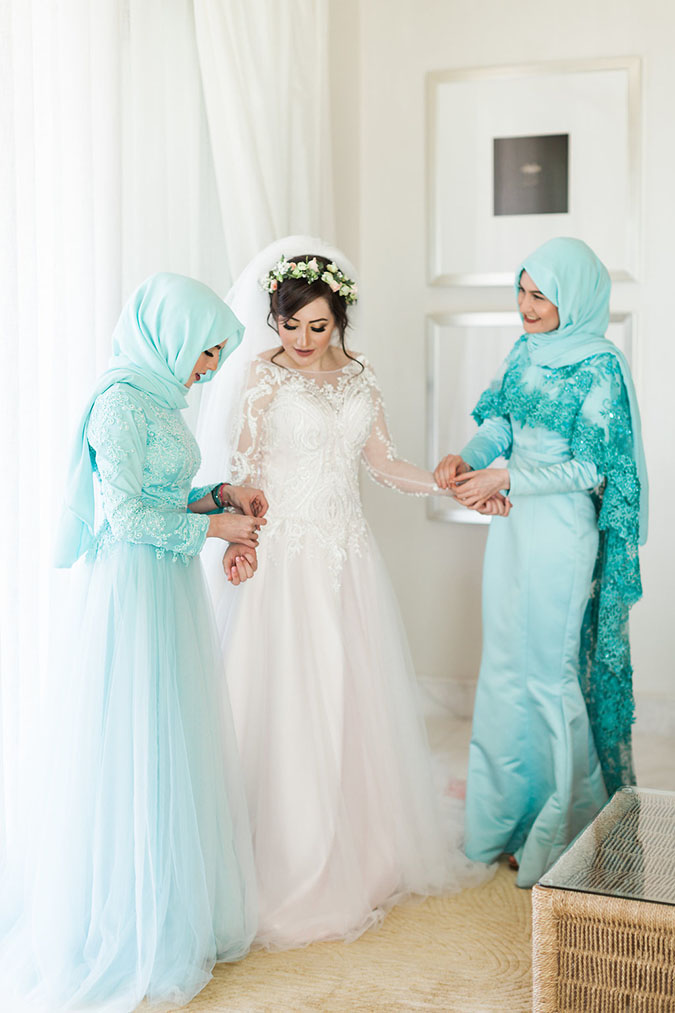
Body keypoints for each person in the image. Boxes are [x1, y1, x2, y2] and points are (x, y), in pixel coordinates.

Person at [196, 237, 506, 949]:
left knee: (348, 698)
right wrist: (242, 541)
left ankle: (355, 851)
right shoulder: (261, 378)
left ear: (339, 320)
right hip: (283, 563)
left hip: (346, 559)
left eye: (317, 325)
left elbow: (385, 465)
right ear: (273, 319)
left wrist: (450, 486)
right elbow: (245, 472)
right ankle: (282, 860)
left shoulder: (361, 380)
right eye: (289, 324)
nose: (302, 340)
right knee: (283, 700)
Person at [1, 274, 263, 1012]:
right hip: (130, 591)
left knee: (169, 738)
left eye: (216, 354)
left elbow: (160, 497)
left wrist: (219, 496)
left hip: (165, 583)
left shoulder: (159, 399)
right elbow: (122, 516)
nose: (209, 367)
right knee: (130, 741)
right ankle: (122, 915)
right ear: (170, 337)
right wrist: (215, 529)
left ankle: (171, 903)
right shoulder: (117, 402)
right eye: (205, 351)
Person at [435, 238, 648, 888]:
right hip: (513, 528)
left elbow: (591, 469)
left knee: (551, 675)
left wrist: (506, 477)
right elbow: (500, 422)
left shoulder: (600, 365)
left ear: (573, 298)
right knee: (504, 669)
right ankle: (504, 822)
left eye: (539, 295)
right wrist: (467, 457)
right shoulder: (524, 351)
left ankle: (564, 831)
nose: (525, 307)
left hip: (559, 530)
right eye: (521, 292)